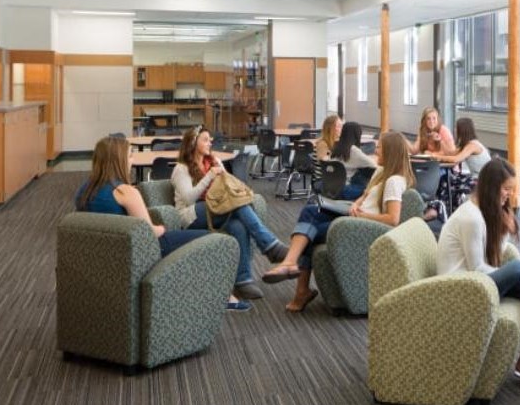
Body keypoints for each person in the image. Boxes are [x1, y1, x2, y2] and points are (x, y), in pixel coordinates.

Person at [437, 158, 520, 392]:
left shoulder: (485, 212)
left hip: (475, 284)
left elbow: (494, 260)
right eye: (506, 189)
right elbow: (477, 269)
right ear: (491, 187)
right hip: (458, 290)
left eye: (512, 189)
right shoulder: (471, 218)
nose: (509, 195)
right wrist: (519, 272)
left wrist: (504, 231)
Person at [74, 136, 249, 312]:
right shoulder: (125, 192)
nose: (132, 160)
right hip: (142, 251)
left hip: (108, 254)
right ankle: (225, 297)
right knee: (212, 239)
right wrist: (163, 228)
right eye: (130, 156)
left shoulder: (84, 191)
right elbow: (149, 233)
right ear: (118, 160)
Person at [262, 131, 416, 313]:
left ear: (391, 151)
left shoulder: (394, 181)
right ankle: (292, 269)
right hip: (355, 217)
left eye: (380, 147)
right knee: (311, 210)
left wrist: (361, 216)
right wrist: (356, 204)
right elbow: (365, 195)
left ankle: (294, 275)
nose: (376, 151)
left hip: (362, 227)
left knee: (311, 232)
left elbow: (393, 220)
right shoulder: (381, 172)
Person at [171, 125, 289, 303]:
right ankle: (269, 245)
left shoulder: (212, 162)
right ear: (193, 143)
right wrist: (210, 176)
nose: (210, 143)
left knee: (238, 225)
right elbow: (188, 199)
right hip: (191, 215)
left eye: (210, 140)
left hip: (216, 209)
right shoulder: (181, 168)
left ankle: (243, 280)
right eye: (205, 139)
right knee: (237, 205)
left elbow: (229, 188)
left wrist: (220, 169)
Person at [423, 117, 491, 220]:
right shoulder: (469, 144)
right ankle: (441, 210)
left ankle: (436, 210)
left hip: (482, 181)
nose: (455, 130)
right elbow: (450, 153)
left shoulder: (472, 145)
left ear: (462, 130)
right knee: (446, 179)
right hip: (478, 178)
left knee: (447, 181)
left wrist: (436, 156)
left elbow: (456, 159)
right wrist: (440, 140)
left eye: (456, 128)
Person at [329, 121, 377, 201]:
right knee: (372, 189)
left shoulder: (336, 146)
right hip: (346, 189)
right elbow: (374, 164)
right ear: (357, 134)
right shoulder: (353, 151)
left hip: (331, 186)